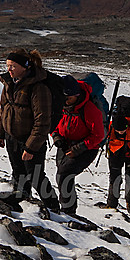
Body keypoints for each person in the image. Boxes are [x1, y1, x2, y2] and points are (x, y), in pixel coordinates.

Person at [0, 49, 60, 210]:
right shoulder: (9, 83)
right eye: (8, 66)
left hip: (30, 140)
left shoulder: (38, 87)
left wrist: (31, 147)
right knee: (18, 173)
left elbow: (42, 120)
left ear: (25, 66)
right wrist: (1, 132)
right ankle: (21, 202)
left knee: (36, 176)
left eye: (13, 66)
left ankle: (53, 207)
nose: (9, 70)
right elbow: (4, 109)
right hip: (12, 137)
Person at [50, 75, 105, 215]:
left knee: (64, 175)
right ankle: (68, 208)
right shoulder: (62, 105)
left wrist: (79, 148)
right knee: (62, 175)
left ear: (77, 95)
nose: (65, 101)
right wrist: (56, 136)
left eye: (68, 98)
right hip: (65, 145)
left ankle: (68, 211)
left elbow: (99, 135)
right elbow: (54, 124)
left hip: (87, 148)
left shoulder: (90, 109)